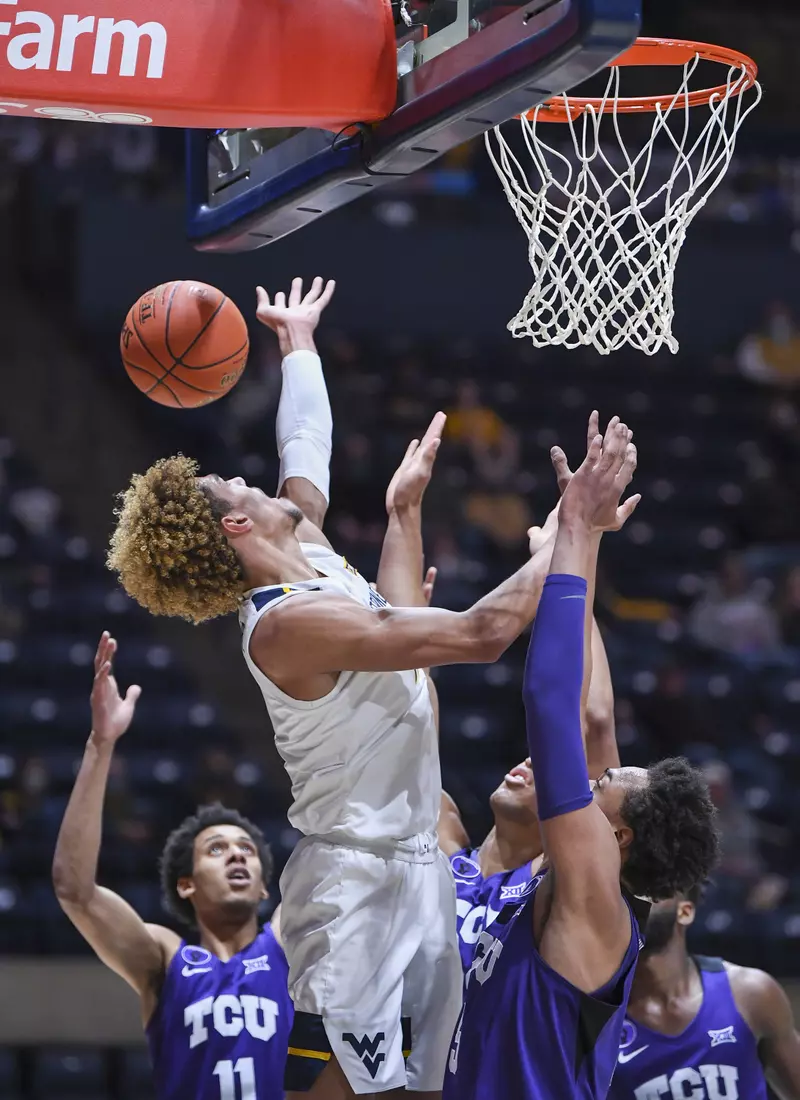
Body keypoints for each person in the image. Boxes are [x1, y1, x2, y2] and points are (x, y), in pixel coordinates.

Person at [107, 276, 550, 1100]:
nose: (249, 484)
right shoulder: (282, 625)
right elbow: (481, 636)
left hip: (419, 868)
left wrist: (297, 343)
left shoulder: (303, 544)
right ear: (237, 526)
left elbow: (303, 448)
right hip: (355, 893)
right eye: (232, 490)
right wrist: (570, 537)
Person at [443, 417, 720, 1100]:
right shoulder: (573, 880)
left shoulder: (594, 890)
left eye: (604, 784)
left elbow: (548, 703)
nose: (591, 775)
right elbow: (588, 714)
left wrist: (572, 534)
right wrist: (585, 542)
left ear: (618, 837)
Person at [52, 632, 292, 1100]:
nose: (239, 854)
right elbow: (74, 890)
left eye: (246, 849)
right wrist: (100, 745)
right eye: (217, 850)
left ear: (265, 888)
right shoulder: (167, 959)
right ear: (186, 885)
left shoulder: (288, 944)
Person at [609, 888, 800, 1100]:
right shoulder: (596, 1018)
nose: (637, 898)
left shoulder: (751, 992)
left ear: (685, 912)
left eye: (653, 889)